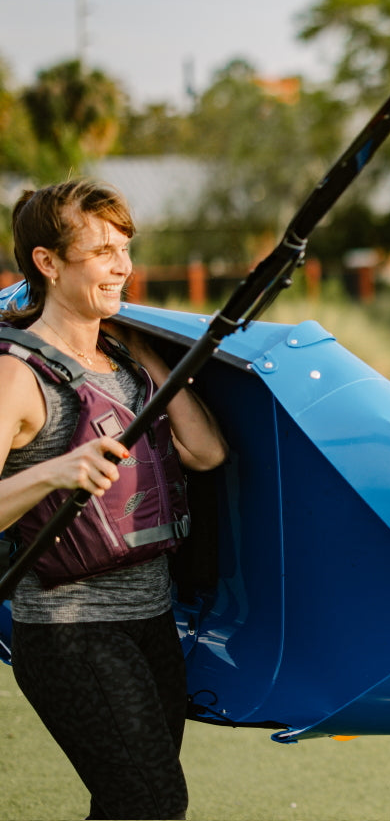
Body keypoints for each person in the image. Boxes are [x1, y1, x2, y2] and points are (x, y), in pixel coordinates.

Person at [0, 179, 228, 820]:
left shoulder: (127, 362)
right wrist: (56, 472)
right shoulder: (16, 374)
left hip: (151, 620)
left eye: (125, 248)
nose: (122, 265)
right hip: (70, 633)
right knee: (151, 804)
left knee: (128, 805)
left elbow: (206, 454)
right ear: (47, 262)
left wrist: (155, 361)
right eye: (102, 250)